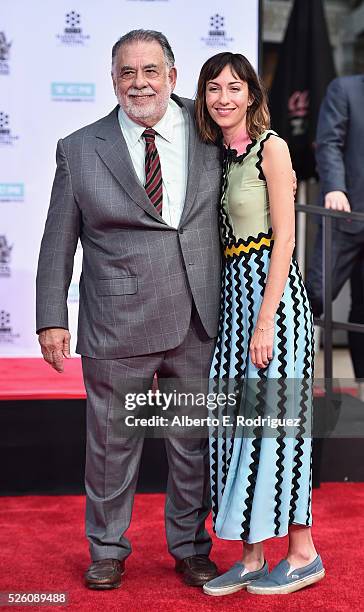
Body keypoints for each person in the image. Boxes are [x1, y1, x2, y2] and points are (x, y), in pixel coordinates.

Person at [36, 29, 223, 590]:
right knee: (112, 447)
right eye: (126, 73)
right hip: (117, 322)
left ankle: (191, 547)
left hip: (199, 317)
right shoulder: (79, 147)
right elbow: (56, 240)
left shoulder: (214, 130)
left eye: (150, 72)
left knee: (193, 446)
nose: (138, 83)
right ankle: (108, 549)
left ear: (171, 74)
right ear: (112, 78)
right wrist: (51, 317)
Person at [194, 52, 325, 596]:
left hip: (274, 305)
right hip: (231, 305)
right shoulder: (212, 156)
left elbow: (286, 243)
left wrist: (267, 320)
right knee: (233, 431)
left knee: (279, 428)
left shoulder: (273, 148)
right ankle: (250, 557)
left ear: (252, 94)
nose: (223, 97)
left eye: (234, 87)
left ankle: (303, 553)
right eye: (213, 89)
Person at [306, 75, 364, 395]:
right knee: (314, 294)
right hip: (345, 215)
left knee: (363, 309)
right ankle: (288, 373)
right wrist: (335, 187)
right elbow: (329, 142)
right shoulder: (346, 89)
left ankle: (362, 384)